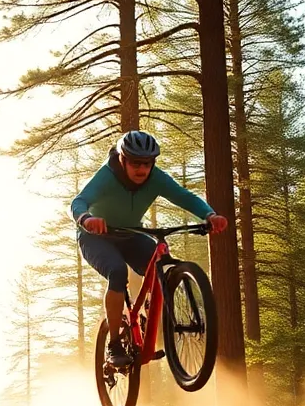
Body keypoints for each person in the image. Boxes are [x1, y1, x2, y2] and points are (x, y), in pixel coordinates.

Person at [72, 130, 228, 367]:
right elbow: (78, 201)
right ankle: (114, 344)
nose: (141, 169)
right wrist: (86, 219)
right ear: (123, 159)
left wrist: (210, 215)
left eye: (147, 163)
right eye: (135, 163)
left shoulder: (156, 178)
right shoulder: (107, 175)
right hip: (96, 237)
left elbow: (184, 197)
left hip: (131, 234)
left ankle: (146, 315)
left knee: (160, 268)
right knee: (117, 272)